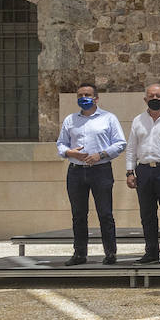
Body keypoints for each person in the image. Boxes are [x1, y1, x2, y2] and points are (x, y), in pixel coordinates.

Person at [57, 82, 125, 266]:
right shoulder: (70, 120)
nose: (83, 98)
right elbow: (61, 144)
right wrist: (71, 153)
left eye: (87, 94)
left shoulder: (108, 118)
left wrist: (100, 155)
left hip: (100, 170)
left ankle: (110, 253)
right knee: (78, 214)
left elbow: (120, 143)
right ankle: (79, 254)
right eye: (80, 95)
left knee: (105, 213)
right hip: (76, 172)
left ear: (96, 97)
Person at [125, 84, 160, 264]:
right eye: (151, 96)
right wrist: (129, 171)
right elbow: (132, 147)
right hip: (144, 170)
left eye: (158, 96)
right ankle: (151, 252)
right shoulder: (138, 120)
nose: (154, 99)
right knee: (147, 214)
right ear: (145, 99)